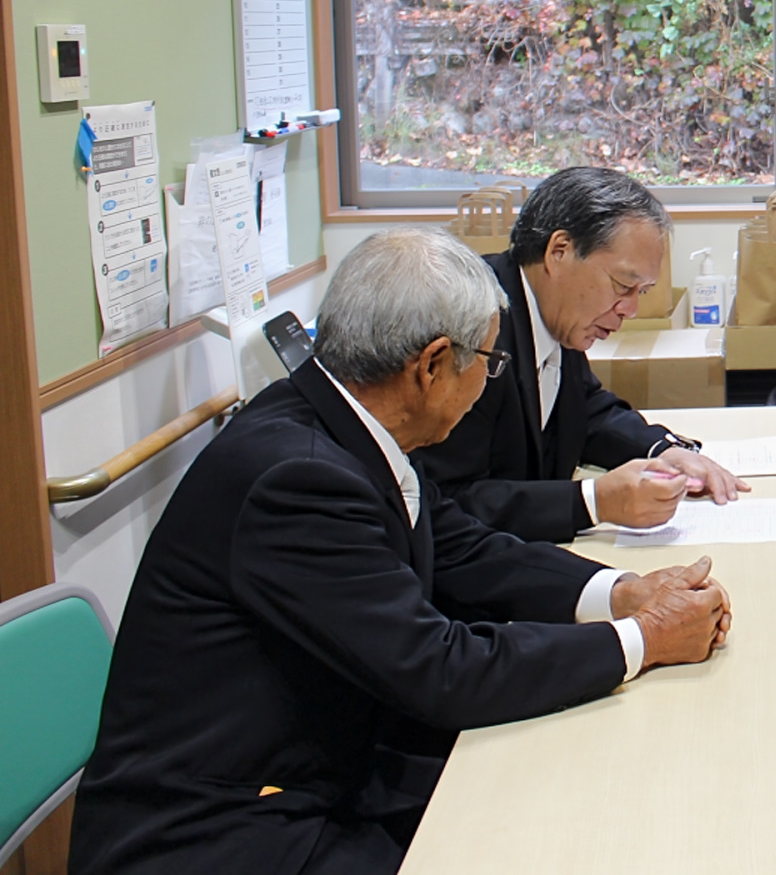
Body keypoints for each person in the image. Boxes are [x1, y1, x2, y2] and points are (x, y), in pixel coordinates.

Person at [70, 228, 731, 875]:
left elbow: (458, 544)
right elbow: (439, 670)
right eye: (489, 361)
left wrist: (621, 593)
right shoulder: (296, 480)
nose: (488, 381)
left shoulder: (335, 419)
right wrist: (642, 639)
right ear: (433, 365)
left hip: (324, 765)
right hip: (224, 828)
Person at [413, 167, 744, 544]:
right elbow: (445, 501)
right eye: (623, 285)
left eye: (642, 292)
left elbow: (585, 409)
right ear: (559, 252)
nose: (631, 309)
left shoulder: (556, 313)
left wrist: (662, 450)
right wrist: (592, 502)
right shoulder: (473, 329)